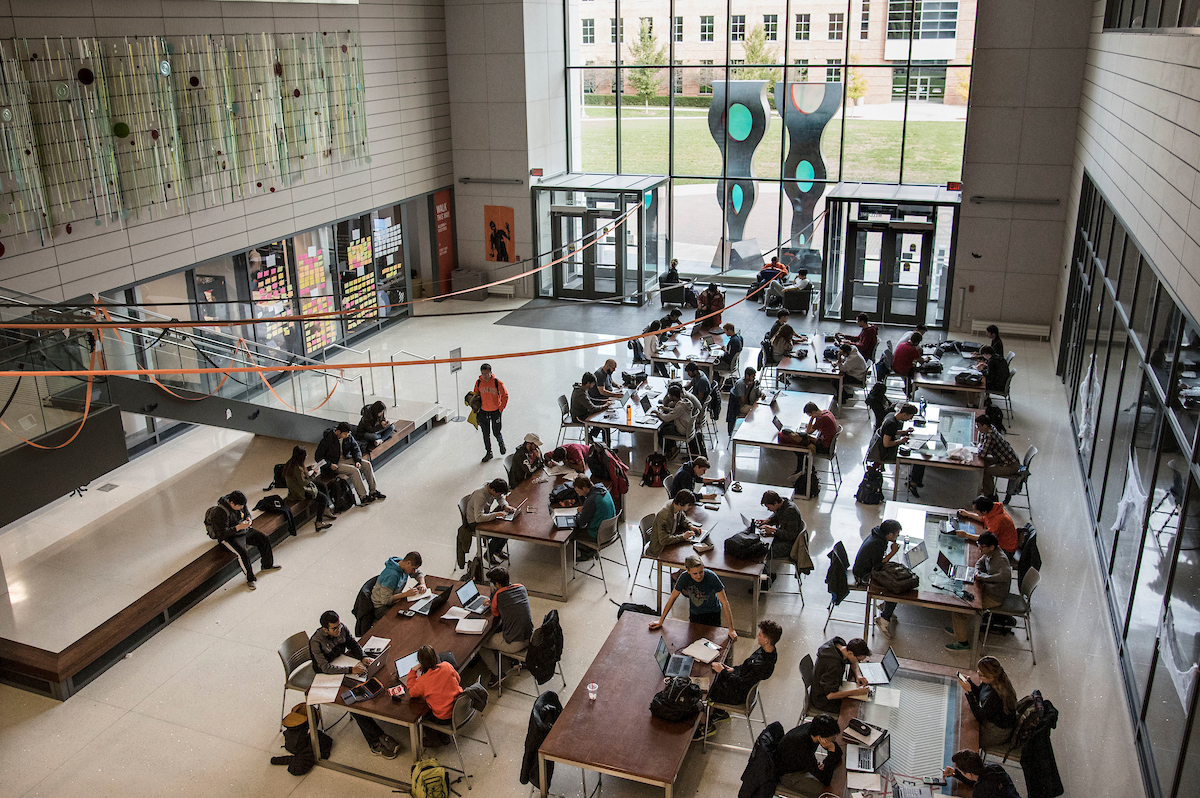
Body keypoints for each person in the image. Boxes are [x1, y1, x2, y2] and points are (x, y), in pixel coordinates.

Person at [309, 610, 400, 758]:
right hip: (326, 675)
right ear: (324, 629)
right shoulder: (316, 642)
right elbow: (325, 668)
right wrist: (351, 669)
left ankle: (377, 727)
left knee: (368, 683)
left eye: (339, 626)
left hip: (342, 664)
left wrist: (362, 657)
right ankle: (375, 740)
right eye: (334, 628)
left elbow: (352, 643)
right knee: (352, 701)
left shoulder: (341, 628)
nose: (339, 630)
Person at [695, 619, 782, 739]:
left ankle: (706, 726)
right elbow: (746, 668)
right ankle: (720, 712)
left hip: (738, 695)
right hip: (741, 687)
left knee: (704, 689)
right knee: (715, 676)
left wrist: (723, 672)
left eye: (760, 634)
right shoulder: (768, 651)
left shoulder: (761, 664)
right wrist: (732, 670)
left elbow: (740, 683)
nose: (758, 635)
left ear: (767, 640)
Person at [947, 532, 1012, 651]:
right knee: (961, 598)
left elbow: (1005, 576)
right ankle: (959, 630)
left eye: (982, 546)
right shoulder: (991, 552)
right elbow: (979, 562)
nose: (979, 549)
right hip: (988, 589)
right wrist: (977, 572)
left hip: (994, 597)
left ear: (991, 547)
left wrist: (983, 577)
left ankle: (963, 643)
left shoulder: (1000, 559)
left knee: (960, 609)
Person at [204, 491, 280, 590]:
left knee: (264, 539)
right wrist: (238, 527)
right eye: (239, 506)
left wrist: (249, 518)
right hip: (230, 536)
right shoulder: (220, 512)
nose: (241, 508)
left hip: (243, 530)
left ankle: (267, 565)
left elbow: (247, 513)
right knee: (243, 553)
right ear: (232, 503)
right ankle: (250, 579)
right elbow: (221, 534)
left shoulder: (240, 504)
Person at [649, 554, 737, 639]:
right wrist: (661, 621)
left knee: (712, 639)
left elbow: (724, 602)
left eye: (701, 572)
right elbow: (673, 598)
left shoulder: (711, 577)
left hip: (713, 613)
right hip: (695, 613)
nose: (699, 576)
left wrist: (731, 629)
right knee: (694, 639)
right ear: (688, 570)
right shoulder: (684, 577)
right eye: (695, 573)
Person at [479, 566, 533, 685]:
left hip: (515, 643)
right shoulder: (521, 587)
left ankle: (497, 674)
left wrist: (493, 599)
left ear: (497, 584)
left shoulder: (497, 595)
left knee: (481, 644)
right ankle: (512, 661)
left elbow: (495, 614)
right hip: (529, 636)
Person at [852, 519, 903, 638]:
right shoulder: (878, 543)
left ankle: (886, 607)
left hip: (865, 568)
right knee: (895, 587)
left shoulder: (878, 534)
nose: (898, 536)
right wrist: (892, 553)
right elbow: (878, 566)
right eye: (897, 533)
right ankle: (884, 619)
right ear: (890, 535)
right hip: (864, 575)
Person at [316, 422, 385, 504]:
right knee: (354, 471)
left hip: (347, 458)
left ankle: (373, 491)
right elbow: (318, 457)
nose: (347, 435)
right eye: (345, 433)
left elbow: (355, 448)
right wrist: (330, 464)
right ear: (338, 432)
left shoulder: (348, 436)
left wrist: (357, 460)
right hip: (335, 463)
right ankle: (363, 497)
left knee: (366, 464)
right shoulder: (327, 440)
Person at [776, 714, 842, 797]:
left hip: (801, 764)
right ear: (821, 738)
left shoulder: (814, 728)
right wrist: (831, 750)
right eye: (831, 740)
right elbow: (826, 780)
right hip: (789, 775)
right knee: (826, 792)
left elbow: (839, 753)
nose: (833, 742)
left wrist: (826, 763)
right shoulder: (801, 745)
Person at [960, 656, 1019, 748]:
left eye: (980, 674)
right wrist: (970, 683)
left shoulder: (995, 697)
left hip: (996, 732)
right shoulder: (993, 680)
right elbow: (980, 692)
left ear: (990, 677)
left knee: (964, 738)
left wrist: (969, 692)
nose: (978, 674)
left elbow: (979, 716)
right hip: (991, 719)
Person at [809, 636, 871, 713]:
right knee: (857, 710)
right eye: (859, 660)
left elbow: (853, 662)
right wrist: (856, 692)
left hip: (826, 687)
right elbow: (830, 695)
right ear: (850, 653)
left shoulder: (840, 646)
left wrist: (858, 675)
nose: (858, 662)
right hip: (822, 701)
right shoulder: (835, 665)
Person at [755, 490, 804, 588]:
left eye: (769, 507)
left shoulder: (790, 511)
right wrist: (767, 521)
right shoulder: (784, 503)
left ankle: (766, 581)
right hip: (784, 539)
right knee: (761, 545)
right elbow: (777, 514)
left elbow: (791, 535)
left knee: (761, 552)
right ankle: (766, 575)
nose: (769, 510)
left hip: (790, 545)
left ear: (776, 503)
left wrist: (773, 531)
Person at [405, 644, 463, 723]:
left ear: (421, 663)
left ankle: (433, 734)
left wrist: (412, 672)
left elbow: (412, 693)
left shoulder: (423, 680)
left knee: (423, 717)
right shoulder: (447, 666)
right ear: (435, 657)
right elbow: (458, 679)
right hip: (460, 708)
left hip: (444, 717)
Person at [282, 445, 334, 531]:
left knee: (322, 485)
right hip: (300, 491)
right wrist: (314, 474)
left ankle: (326, 509)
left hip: (297, 487)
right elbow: (303, 482)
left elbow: (300, 476)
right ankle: (319, 522)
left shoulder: (292, 463)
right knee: (323, 498)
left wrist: (310, 468)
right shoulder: (297, 468)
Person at [467, 478, 515, 565]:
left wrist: (505, 505)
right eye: (498, 493)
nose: (499, 495)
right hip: (475, 522)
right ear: (493, 490)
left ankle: (497, 550)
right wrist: (496, 515)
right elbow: (478, 518)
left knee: (507, 528)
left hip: (485, 516)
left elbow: (500, 498)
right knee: (499, 533)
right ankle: (488, 555)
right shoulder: (480, 496)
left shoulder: (491, 486)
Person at [942, 749, 1023, 798]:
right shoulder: (995, 768)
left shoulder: (980, 792)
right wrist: (955, 773)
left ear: (969, 774)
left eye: (961, 771)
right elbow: (977, 779)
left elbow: (980, 784)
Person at [370, 551, 426, 620]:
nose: (414, 571)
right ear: (408, 563)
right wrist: (405, 594)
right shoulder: (391, 576)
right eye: (413, 569)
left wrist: (422, 584)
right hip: (381, 608)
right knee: (406, 620)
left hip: (394, 600)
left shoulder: (403, 565)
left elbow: (418, 574)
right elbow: (385, 600)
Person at [976, 413, 1021, 498]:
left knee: (987, 471)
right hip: (1005, 459)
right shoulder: (991, 428)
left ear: (985, 426)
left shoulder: (990, 435)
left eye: (978, 426)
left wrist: (977, 450)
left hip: (1010, 465)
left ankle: (990, 495)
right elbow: (982, 445)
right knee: (985, 462)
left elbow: (982, 454)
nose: (978, 429)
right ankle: (988, 487)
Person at [571, 476, 616, 560]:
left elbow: (581, 522)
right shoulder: (601, 489)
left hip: (599, 535)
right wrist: (585, 508)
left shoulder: (591, 500)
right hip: (611, 530)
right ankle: (590, 551)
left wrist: (578, 514)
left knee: (572, 534)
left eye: (578, 491)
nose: (577, 493)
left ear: (584, 488)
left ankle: (588, 553)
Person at [646, 488, 699, 557]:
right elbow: (663, 540)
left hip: (671, 538)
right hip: (660, 548)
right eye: (689, 505)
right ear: (681, 503)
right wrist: (683, 537)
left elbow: (683, 518)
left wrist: (690, 526)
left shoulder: (676, 506)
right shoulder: (665, 516)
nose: (690, 507)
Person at [653, 383, 702, 456]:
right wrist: (665, 408)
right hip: (688, 428)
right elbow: (674, 411)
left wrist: (658, 413)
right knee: (667, 426)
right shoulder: (685, 402)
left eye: (670, 395)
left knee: (661, 431)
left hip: (682, 430)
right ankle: (673, 446)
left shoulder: (680, 407)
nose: (669, 397)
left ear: (673, 396)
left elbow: (666, 418)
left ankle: (668, 452)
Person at [474, 363, 509, 463]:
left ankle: (501, 443)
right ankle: (489, 452)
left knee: (496, 432)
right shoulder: (479, 382)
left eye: (486, 373)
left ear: (491, 372)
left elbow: (505, 396)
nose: (484, 376)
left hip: (495, 412)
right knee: (485, 434)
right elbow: (476, 395)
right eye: (483, 374)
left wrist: (501, 409)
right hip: (483, 412)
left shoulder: (497, 383)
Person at [869, 403, 916, 467]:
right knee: (913, 458)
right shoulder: (891, 424)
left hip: (878, 447)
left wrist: (904, 432)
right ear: (905, 414)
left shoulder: (891, 415)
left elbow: (889, 432)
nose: (909, 419)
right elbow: (887, 444)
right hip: (884, 453)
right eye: (910, 417)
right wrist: (901, 441)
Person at [570, 372, 612, 442]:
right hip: (579, 417)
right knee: (603, 422)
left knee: (602, 419)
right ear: (588, 383)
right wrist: (605, 406)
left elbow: (590, 400)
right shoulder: (581, 393)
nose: (593, 386)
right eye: (593, 384)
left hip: (582, 413)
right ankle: (606, 447)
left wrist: (604, 401)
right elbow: (592, 409)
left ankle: (591, 436)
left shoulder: (582, 388)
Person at [727, 367, 763, 436]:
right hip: (741, 407)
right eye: (753, 376)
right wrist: (749, 389)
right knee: (757, 412)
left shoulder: (748, 382)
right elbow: (743, 402)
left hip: (747, 404)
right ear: (747, 376)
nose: (754, 378)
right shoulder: (741, 384)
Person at [890, 331, 927, 396]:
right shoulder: (912, 350)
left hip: (895, 366)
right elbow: (921, 361)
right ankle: (910, 389)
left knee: (913, 368)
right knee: (920, 372)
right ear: (917, 342)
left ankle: (908, 388)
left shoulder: (902, 344)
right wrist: (926, 359)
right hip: (902, 370)